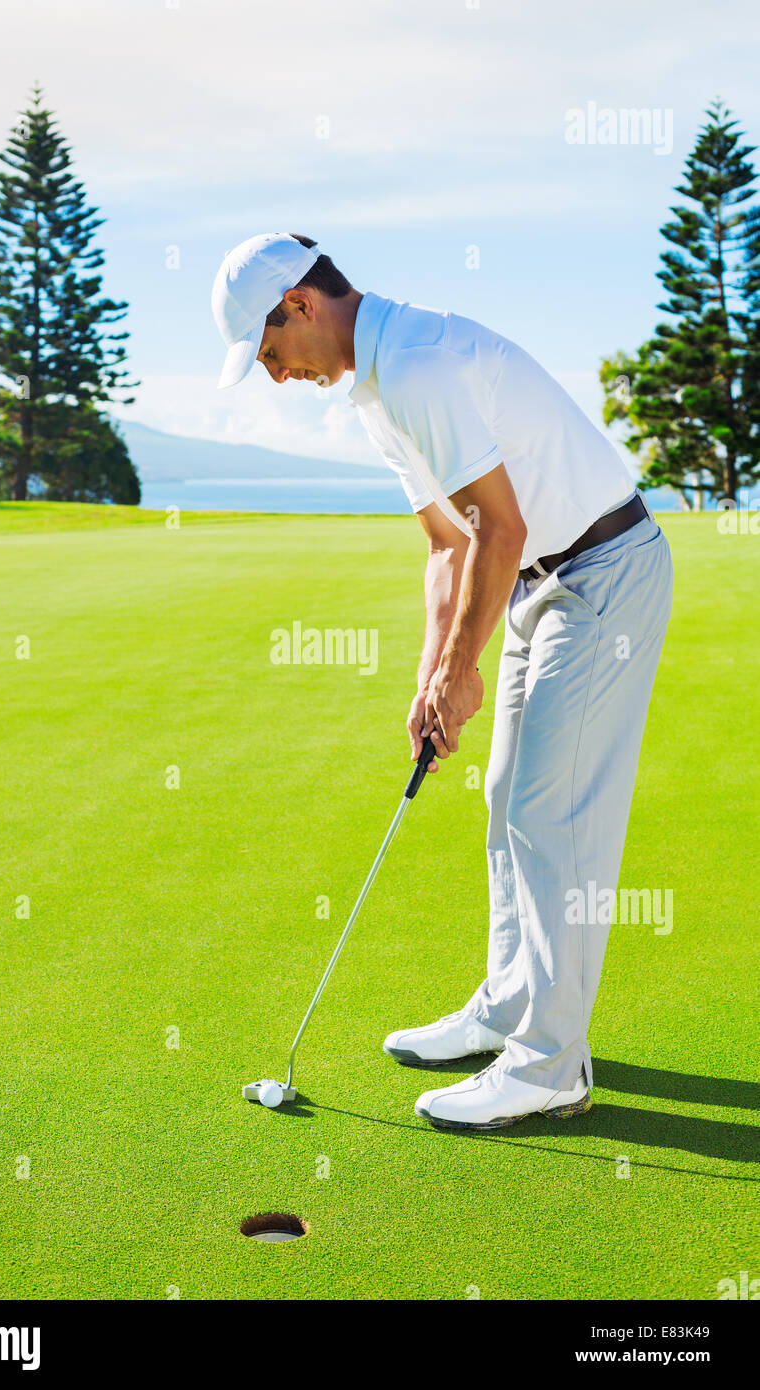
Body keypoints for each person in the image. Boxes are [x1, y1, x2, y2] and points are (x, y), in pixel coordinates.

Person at [211, 232, 674, 1131]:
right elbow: (447, 543)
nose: (274, 376)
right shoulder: (375, 392)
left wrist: (461, 669)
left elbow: (497, 529)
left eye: (269, 352)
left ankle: (549, 1065)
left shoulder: (419, 363)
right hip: (539, 582)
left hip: (602, 571)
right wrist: (431, 677)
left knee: (553, 812)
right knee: (506, 795)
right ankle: (508, 1007)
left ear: (300, 305)